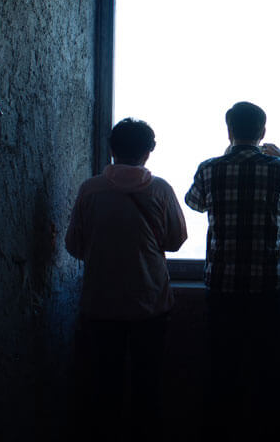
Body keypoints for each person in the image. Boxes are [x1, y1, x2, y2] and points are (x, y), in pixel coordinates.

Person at [185, 101, 280, 442]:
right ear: (263, 132)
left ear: (228, 130)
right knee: (271, 374)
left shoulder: (208, 168)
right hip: (268, 287)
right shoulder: (279, 169)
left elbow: (194, 203)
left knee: (222, 372)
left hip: (222, 286)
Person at [65, 118, 188, 441]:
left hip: (100, 303)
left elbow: (74, 245)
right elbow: (176, 240)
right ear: (149, 152)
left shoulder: (90, 189)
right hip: (151, 303)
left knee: (105, 386)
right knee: (148, 387)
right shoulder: (160, 189)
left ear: (111, 149)